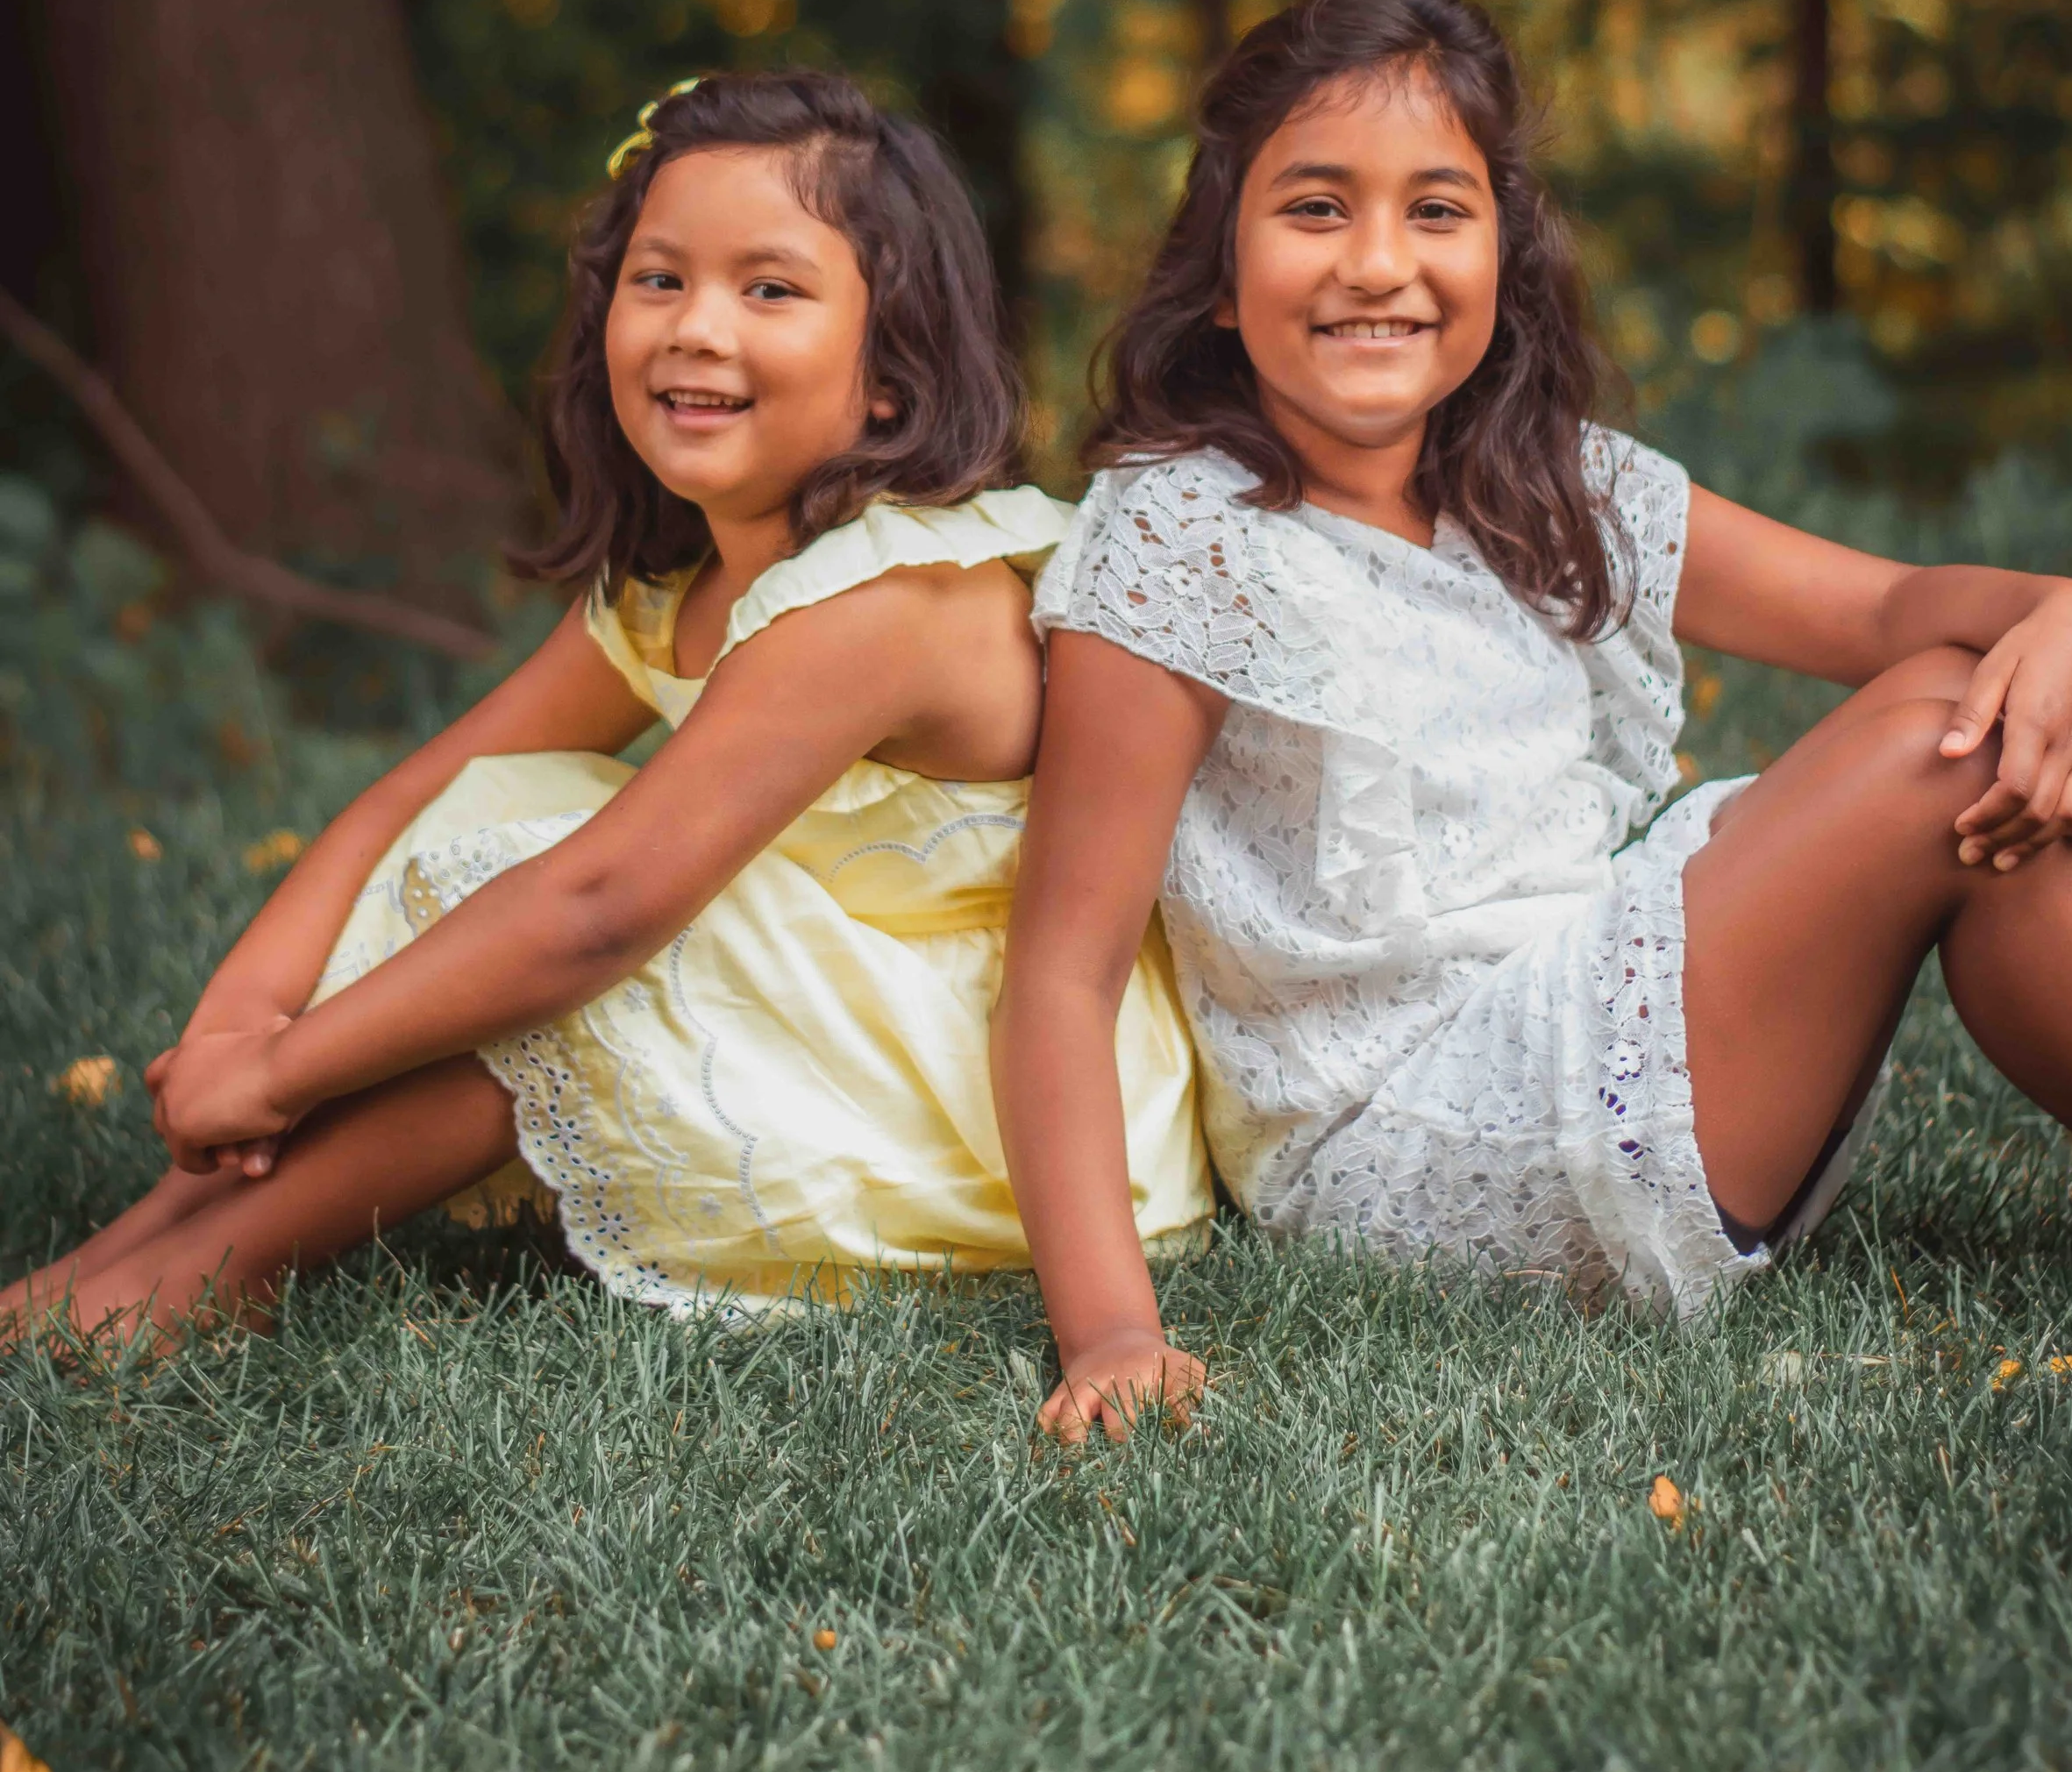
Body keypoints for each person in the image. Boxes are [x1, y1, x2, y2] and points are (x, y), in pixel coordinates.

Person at [993, 0, 2072, 1441]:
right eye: (1316, 208)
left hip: (1584, 1013)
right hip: (1408, 1146)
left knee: (1992, 719)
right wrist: (1113, 1331)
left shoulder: (1553, 482)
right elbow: (1063, 969)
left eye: (1437, 209)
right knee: (1946, 736)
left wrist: (2066, 618)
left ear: (1505, 253)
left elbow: (1885, 610)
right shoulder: (1182, 540)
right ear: (1224, 270)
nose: (1380, 262)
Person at [4, 71, 1208, 1349]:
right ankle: (125, 1251)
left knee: (568, 915)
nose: (696, 326)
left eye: (771, 288)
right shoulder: (671, 584)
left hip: (1001, 1112)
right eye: (661, 278)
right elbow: (416, 795)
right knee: (505, 809)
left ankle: (208, 1275)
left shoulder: (889, 600)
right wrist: (236, 1021)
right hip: (836, 1014)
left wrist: (285, 1068)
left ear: (890, 381)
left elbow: (596, 912)